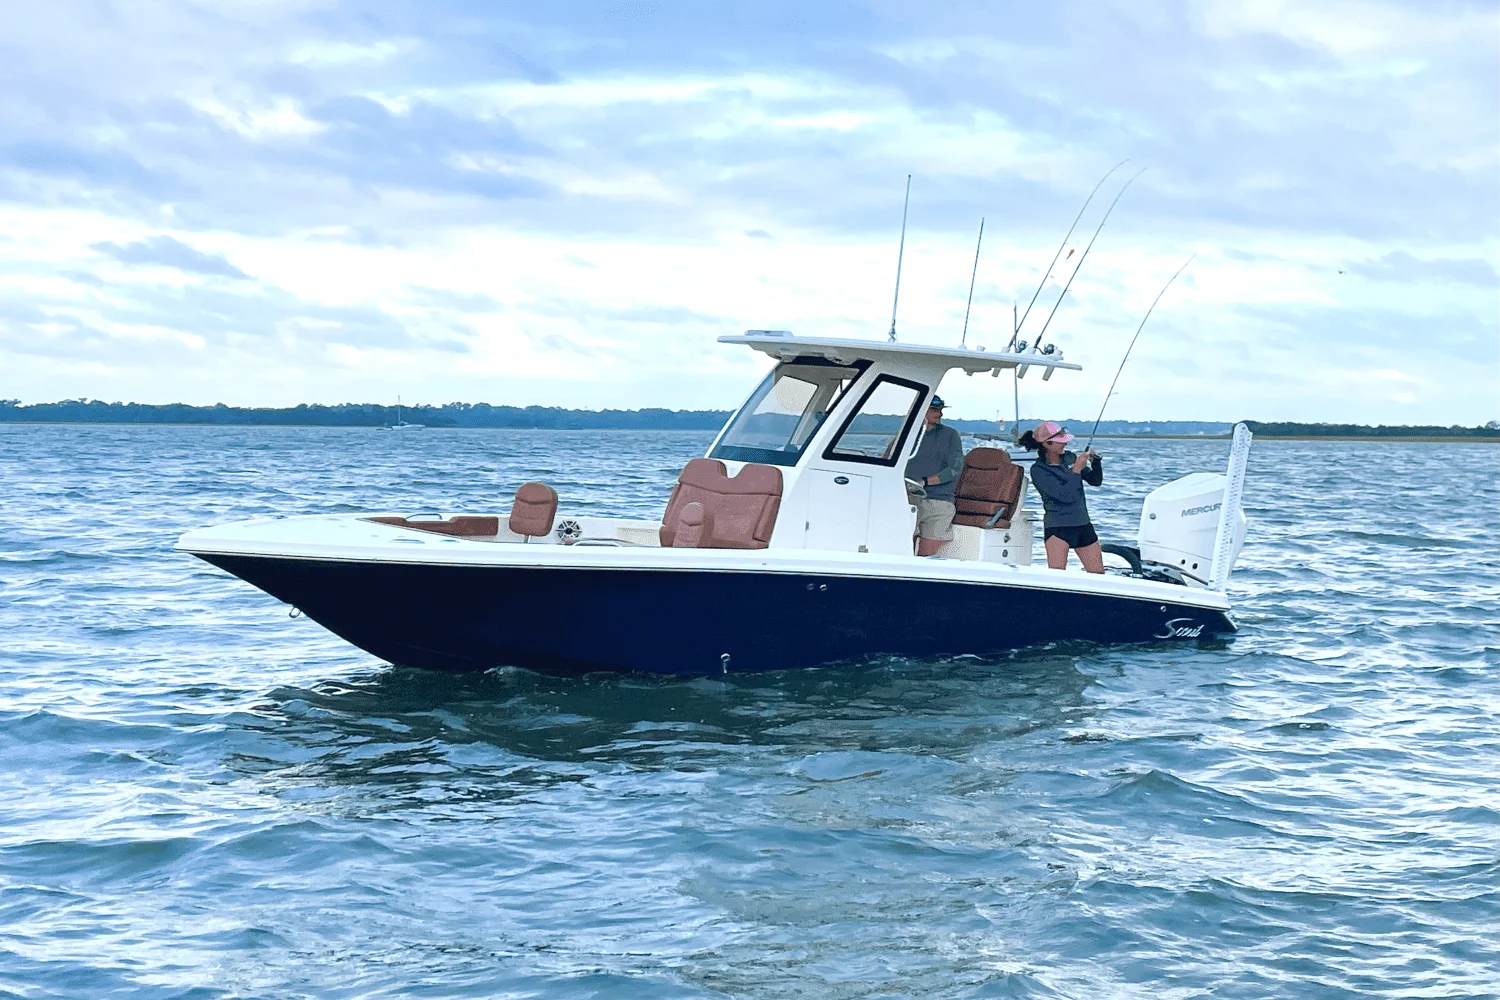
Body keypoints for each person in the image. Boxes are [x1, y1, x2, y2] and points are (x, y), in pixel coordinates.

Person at [1018, 420, 1105, 573]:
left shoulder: (1070, 458)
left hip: (1083, 524)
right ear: (1047, 444)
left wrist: (1096, 462)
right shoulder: (1038, 470)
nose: (1065, 444)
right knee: (1057, 574)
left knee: (1098, 574)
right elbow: (1063, 495)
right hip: (1058, 528)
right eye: (1060, 441)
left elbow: (1095, 481)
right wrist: (1076, 470)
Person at [904, 395, 964, 556]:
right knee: (902, 548)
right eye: (935, 410)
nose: (940, 414)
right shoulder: (906, 434)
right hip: (907, 500)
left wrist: (924, 482)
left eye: (940, 410)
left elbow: (954, 469)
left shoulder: (951, 435)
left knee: (926, 556)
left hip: (939, 501)